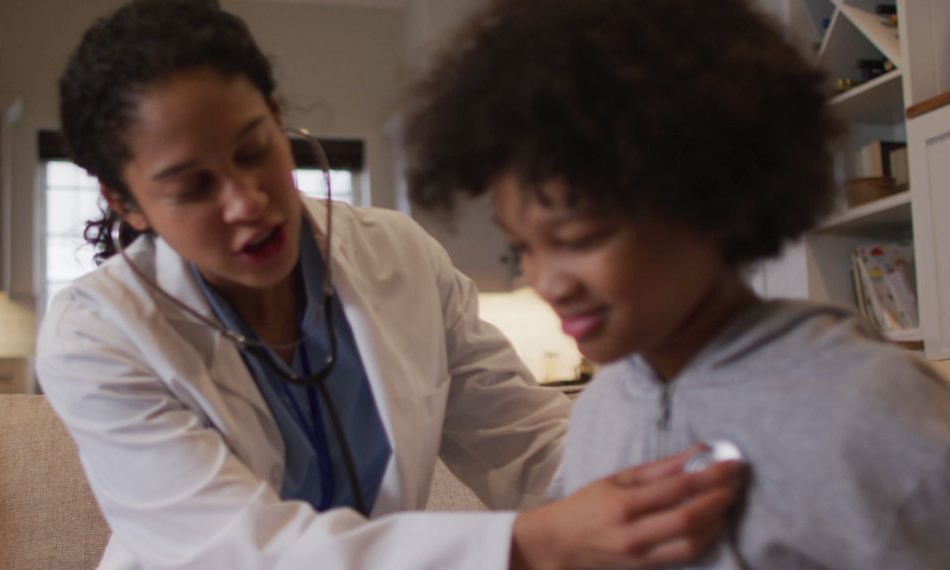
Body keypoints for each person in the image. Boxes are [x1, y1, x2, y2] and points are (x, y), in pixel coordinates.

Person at [38, 0, 745, 568]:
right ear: (126, 203)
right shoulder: (96, 335)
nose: (246, 200)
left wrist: (673, 487)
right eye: (192, 187)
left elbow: (523, 441)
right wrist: (535, 544)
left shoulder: (399, 256)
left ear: (280, 120)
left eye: (255, 150)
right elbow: (238, 551)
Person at [404, 0, 950, 567]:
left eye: (580, 238)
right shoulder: (606, 403)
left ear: (711, 201)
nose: (546, 282)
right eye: (524, 248)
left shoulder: (872, 410)